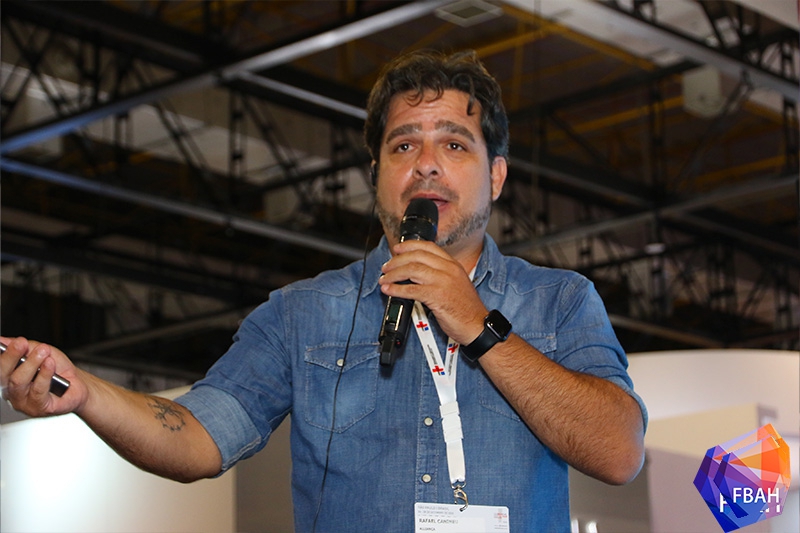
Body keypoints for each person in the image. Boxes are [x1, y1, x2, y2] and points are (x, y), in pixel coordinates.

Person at [1, 49, 646, 532]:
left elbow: (619, 452)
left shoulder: (560, 301)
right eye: (404, 145)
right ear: (376, 174)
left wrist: (477, 323)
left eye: (454, 143)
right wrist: (86, 394)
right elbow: (197, 437)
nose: (426, 163)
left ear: (496, 176)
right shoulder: (302, 314)